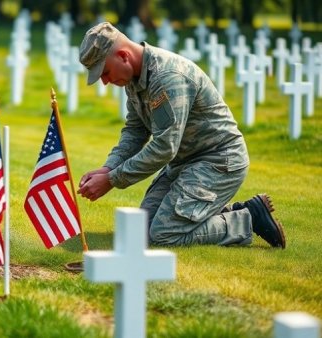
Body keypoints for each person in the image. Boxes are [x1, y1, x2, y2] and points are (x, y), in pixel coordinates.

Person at [76, 22, 286, 248]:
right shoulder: (134, 80)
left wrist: (112, 180)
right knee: (142, 231)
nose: (105, 82)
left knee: (163, 234)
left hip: (218, 162)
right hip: (183, 165)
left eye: (105, 72)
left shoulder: (167, 77)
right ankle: (225, 211)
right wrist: (109, 167)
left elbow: (165, 147)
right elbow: (135, 131)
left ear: (124, 56)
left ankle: (247, 219)